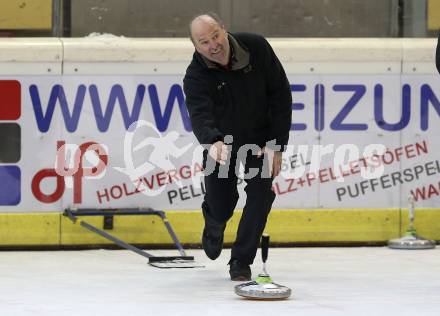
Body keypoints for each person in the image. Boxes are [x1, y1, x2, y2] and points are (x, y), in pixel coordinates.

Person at [183, 13, 292, 281]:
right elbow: (200, 114)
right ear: (195, 46)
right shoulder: (196, 75)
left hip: (260, 140)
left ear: (224, 29)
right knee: (223, 203)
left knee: (260, 193)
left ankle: (241, 261)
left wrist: (275, 145)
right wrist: (212, 140)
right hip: (222, 142)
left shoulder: (256, 47)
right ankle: (214, 222)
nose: (213, 45)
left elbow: (280, 95)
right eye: (204, 41)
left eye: (215, 36)